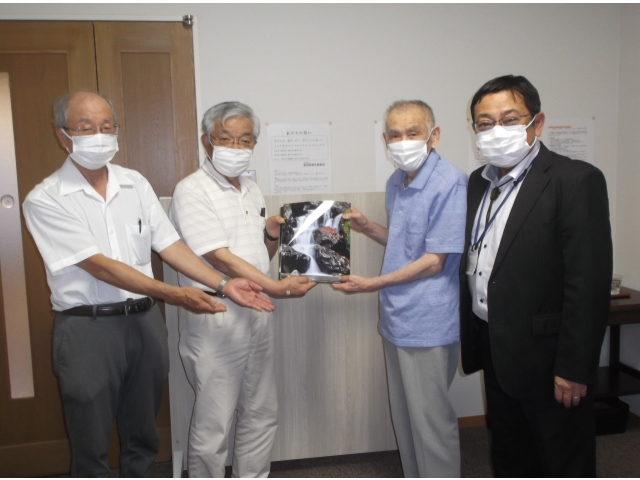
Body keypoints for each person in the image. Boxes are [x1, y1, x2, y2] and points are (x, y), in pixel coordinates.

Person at [22, 92, 274, 478]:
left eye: (107, 126)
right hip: (87, 328)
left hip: (144, 321)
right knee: (91, 442)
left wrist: (224, 284)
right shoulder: (45, 198)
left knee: (143, 436)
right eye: (86, 128)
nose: (99, 136)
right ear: (63, 135)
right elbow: (101, 267)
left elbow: (171, 246)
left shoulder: (135, 183)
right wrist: (177, 294)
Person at [460, 75, 613, 477]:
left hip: (549, 358)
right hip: (495, 345)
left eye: (509, 119)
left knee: (561, 461)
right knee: (510, 456)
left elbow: (588, 284)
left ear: (537, 122)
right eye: (485, 123)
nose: (496, 130)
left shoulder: (574, 180)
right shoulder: (478, 183)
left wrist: (575, 367)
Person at [169, 101, 316, 478]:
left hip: (257, 308)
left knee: (261, 412)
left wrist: (271, 236)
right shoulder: (192, 190)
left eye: (245, 140)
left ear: (254, 144)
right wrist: (277, 288)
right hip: (217, 314)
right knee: (214, 423)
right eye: (226, 138)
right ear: (207, 141)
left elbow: (258, 258)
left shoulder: (251, 189)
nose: (236, 147)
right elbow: (217, 257)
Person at [333, 100, 467, 477]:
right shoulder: (397, 181)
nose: (403, 141)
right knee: (406, 416)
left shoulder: (450, 182)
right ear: (385, 140)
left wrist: (372, 283)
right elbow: (406, 243)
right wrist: (367, 227)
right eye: (395, 135)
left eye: (413, 132)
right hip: (396, 315)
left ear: (433, 135)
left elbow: (435, 260)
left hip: (429, 319)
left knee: (431, 421)